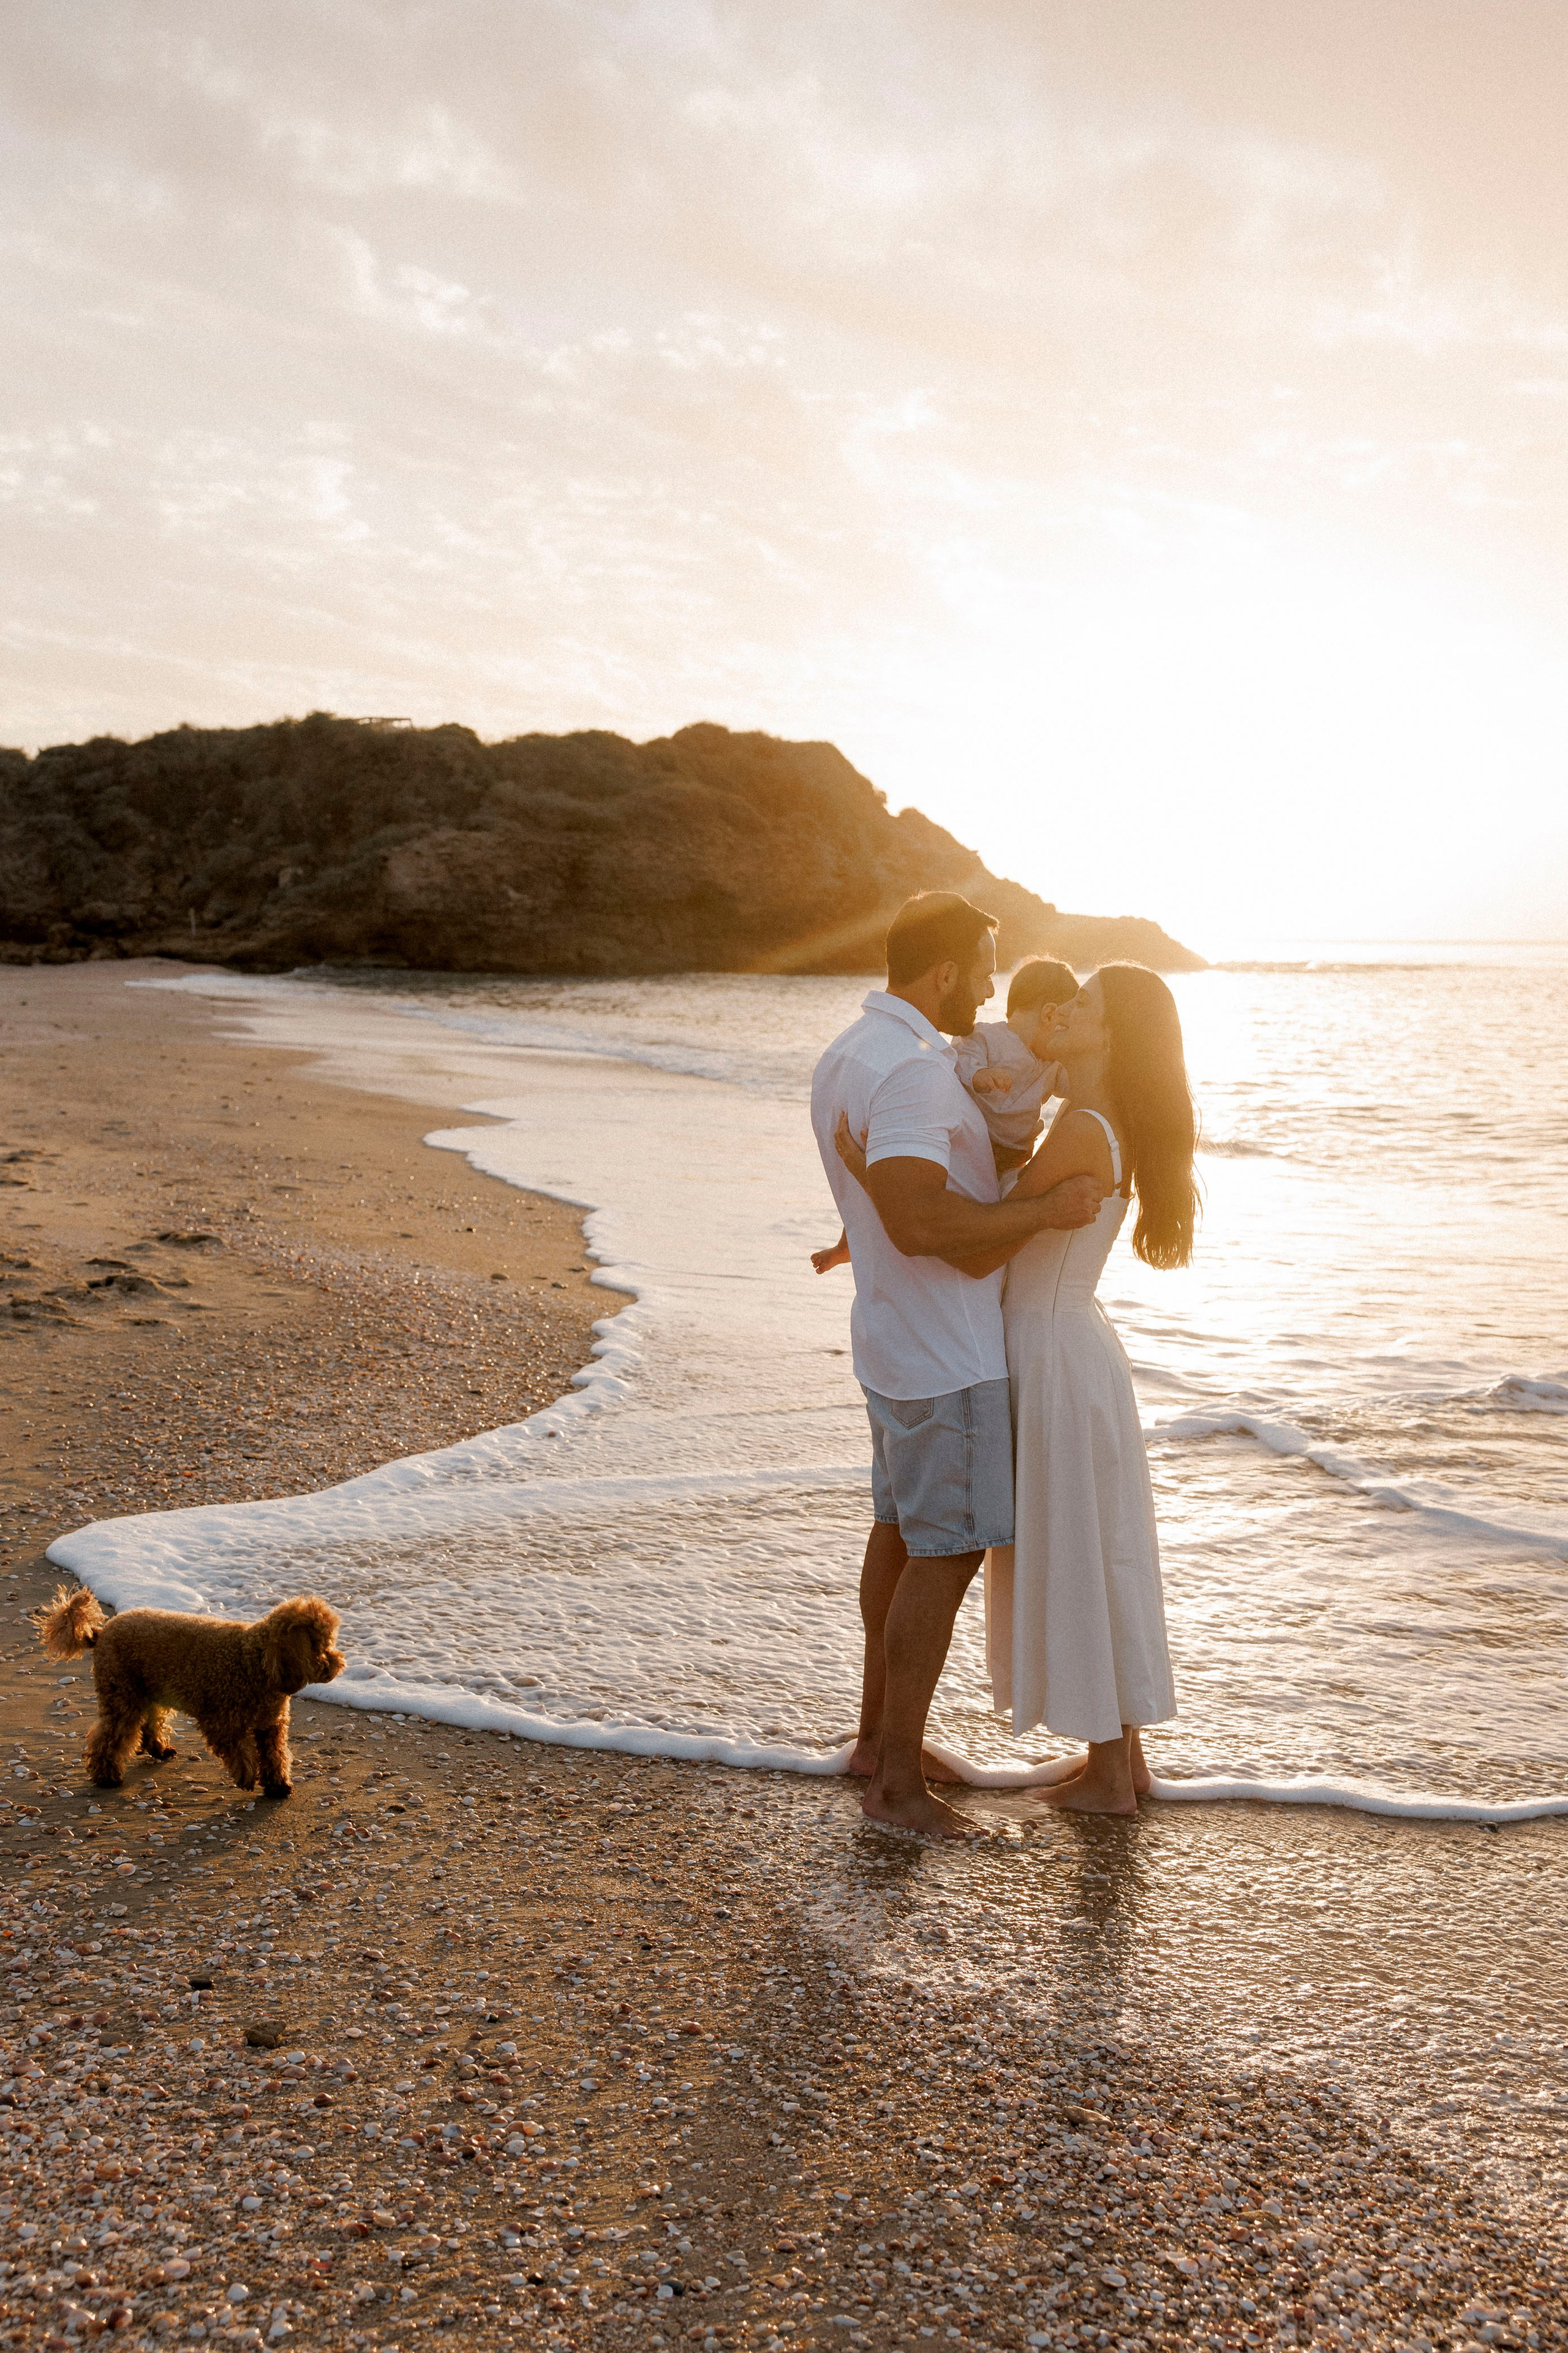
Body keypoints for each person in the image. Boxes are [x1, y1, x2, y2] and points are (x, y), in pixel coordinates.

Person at [840, 963, 1199, 1816]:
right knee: (1091, 1547)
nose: (1065, 1010)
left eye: (1088, 1005)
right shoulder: (1086, 1120)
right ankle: (1122, 1763)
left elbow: (976, 1246)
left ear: (1115, 1035)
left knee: (1078, 1550)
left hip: (1049, 1352)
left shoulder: (1082, 1128)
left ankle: (1111, 1776)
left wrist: (876, 1178)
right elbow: (998, 1211)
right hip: (1066, 1346)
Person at [810, 893, 1104, 1838]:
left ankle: (875, 1740)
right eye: (983, 964)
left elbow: (891, 1206)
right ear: (943, 971)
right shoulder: (915, 1075)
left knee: (897, 1537)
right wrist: (1040, 1214)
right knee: (946, 1550)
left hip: (893, 1338)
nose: (989, 984)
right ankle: (896, 1786)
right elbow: (927, 1224)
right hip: (947, 1352)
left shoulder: (850, 1055)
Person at [810, 956, 1078, 1278]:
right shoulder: (987, 1037)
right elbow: (961, 1060)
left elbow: (1077, 1084)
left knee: (999, 1214)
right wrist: (981, 1075)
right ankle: (848, 1243)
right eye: (1065, 1027)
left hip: (1014, 1155)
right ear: (1049, 1015)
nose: (989, 990)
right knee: (897, 1179)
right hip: (974, 1143)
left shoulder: (1053, 1064)